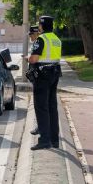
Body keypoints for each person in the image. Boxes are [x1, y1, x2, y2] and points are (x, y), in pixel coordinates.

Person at [28, 15, 62, 150]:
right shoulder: (56, 39)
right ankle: (54, 140)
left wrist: (28, 59)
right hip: (55, 72)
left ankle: (44, 140)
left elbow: (34, 59)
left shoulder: (41, 39)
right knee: (52, 107)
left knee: (41, 108)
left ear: (41, 26)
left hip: (42, 75)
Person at [27, 25, 40, 136]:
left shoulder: (38, 43)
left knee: (39, 104)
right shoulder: (36, 43)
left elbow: (34, 60)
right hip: (38, 76)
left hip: (39, 76)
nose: (30, 36)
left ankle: (40, 127)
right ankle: (41, 126)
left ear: (36, 33)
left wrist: (27, 58)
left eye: (31, 34)